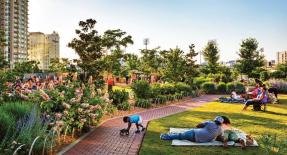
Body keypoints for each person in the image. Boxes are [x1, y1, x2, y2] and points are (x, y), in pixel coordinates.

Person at [160, 116, 228, 143]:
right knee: (181, 136)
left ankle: (164, 136)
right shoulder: (220, 130)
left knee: (180, 136)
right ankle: (171, 135)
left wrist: (204, 126)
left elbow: (197, 126)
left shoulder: (210, 123)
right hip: (197, 141)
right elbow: (219, 138)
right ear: (221, 123)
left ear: (215, 120)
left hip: (194, 134)